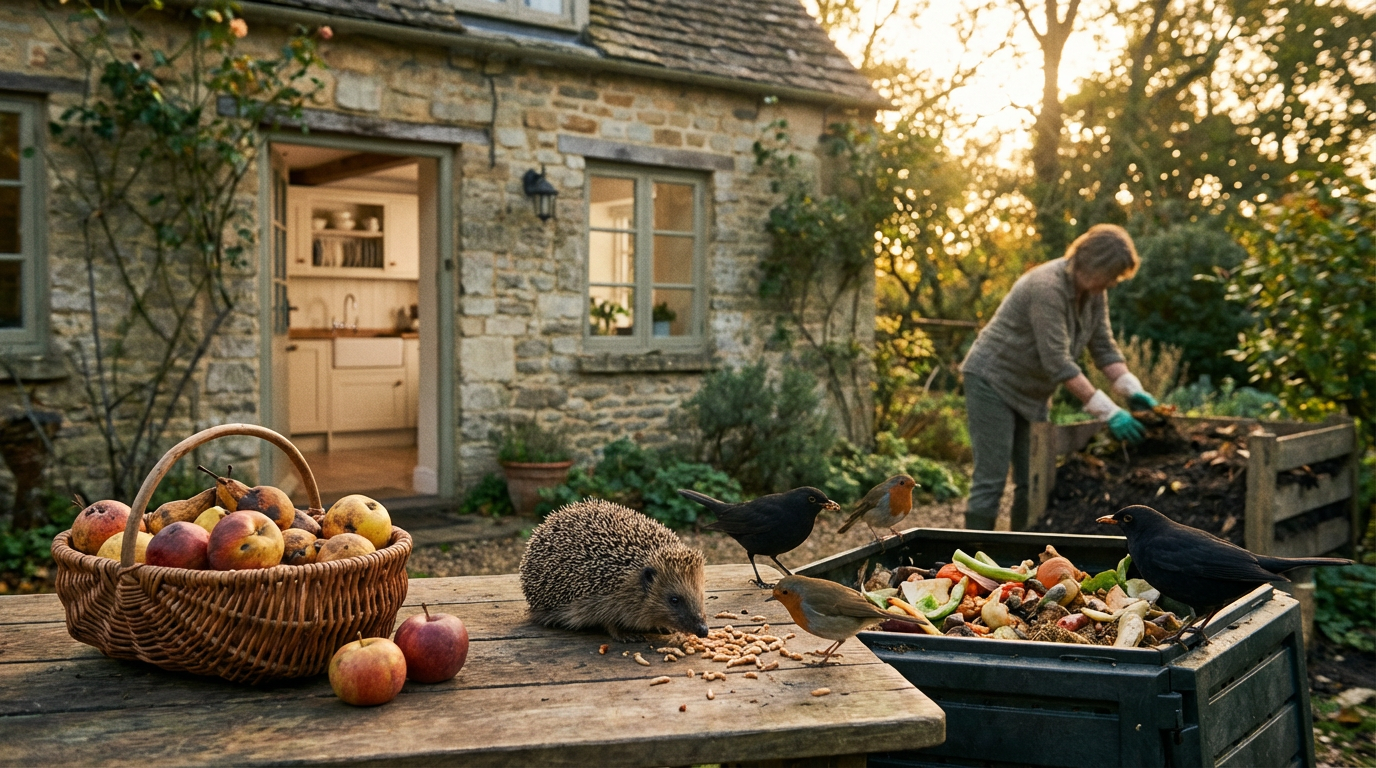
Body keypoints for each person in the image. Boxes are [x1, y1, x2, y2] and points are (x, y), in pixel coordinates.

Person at [959, 224, 1157, 530]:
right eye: (1112, 274)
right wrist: (1110, 412)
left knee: (1034, 479)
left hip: (1033, 391)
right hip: (992, 380)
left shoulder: (1094, 293)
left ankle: (1019, 558)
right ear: (1093, 264)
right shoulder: (1046, 287)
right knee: (992, 478)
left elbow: (1103, 347)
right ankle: (968, 559)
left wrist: (1132, 390)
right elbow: (1057, 362)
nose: (1113, 283)